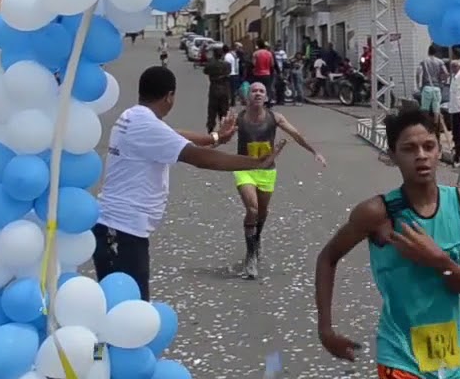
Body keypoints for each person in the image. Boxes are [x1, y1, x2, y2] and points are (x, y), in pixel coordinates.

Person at [315, 109, 460, 379]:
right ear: (391, 155)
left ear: (438, 149)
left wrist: (439, 262)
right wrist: (325, 329)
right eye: (409, 149)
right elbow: (328, 257)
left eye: (429, 146)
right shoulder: (378, 213)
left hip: (454, 361)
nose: (421, 156)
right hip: (402, 356)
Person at [93, 66, 284, 302]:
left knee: (126, 309)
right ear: (170, 96)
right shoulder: (148, 126)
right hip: (120, 232)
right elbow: (200, 158)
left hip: (118, 229)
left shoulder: (133, 115)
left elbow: (173, 134)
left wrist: (215, 137)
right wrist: (255, 163)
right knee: (127, 310)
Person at [234, 82, 326, 278]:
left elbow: (296, 135)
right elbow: (222, 136)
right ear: (247, 96)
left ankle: (256, 239)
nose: (257, 94)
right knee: (252, 208)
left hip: (267, 171)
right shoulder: (239, 118)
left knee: (262, 212)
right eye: (254, 91)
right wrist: (207, 146)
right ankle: (251, 256)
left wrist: (314, 152)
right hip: (244, 168)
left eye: (261, 91)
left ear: (266, 97)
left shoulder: (275, 118)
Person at [417, 45, 448, 128]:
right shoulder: (440, 62)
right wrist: (443, 82)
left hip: (427, 86)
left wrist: (418, 84)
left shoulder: (424, 61)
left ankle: (426, 125)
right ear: (436, 52)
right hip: (437, 87)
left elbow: (418, 73)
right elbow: (446, 73)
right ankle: (436, 125)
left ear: (428, 51)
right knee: (436, 109)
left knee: (425, 109)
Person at [203, 46, 232, 133]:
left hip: (214, 88)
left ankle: (210, 128)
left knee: (212, 110)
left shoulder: (210, 65)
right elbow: (229, 72)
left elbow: (205, 71)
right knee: (224, 110)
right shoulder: (227, 65)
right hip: (224, 89)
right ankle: (224, 128)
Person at [251, 39, 276, 104]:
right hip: (267, 73)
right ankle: (267, 100)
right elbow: (272, 64)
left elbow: (253, 64)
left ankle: (258, 100)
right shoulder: (269, 53)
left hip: (257, 73)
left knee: (258, 88)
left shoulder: (256, 53)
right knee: (267, 87)